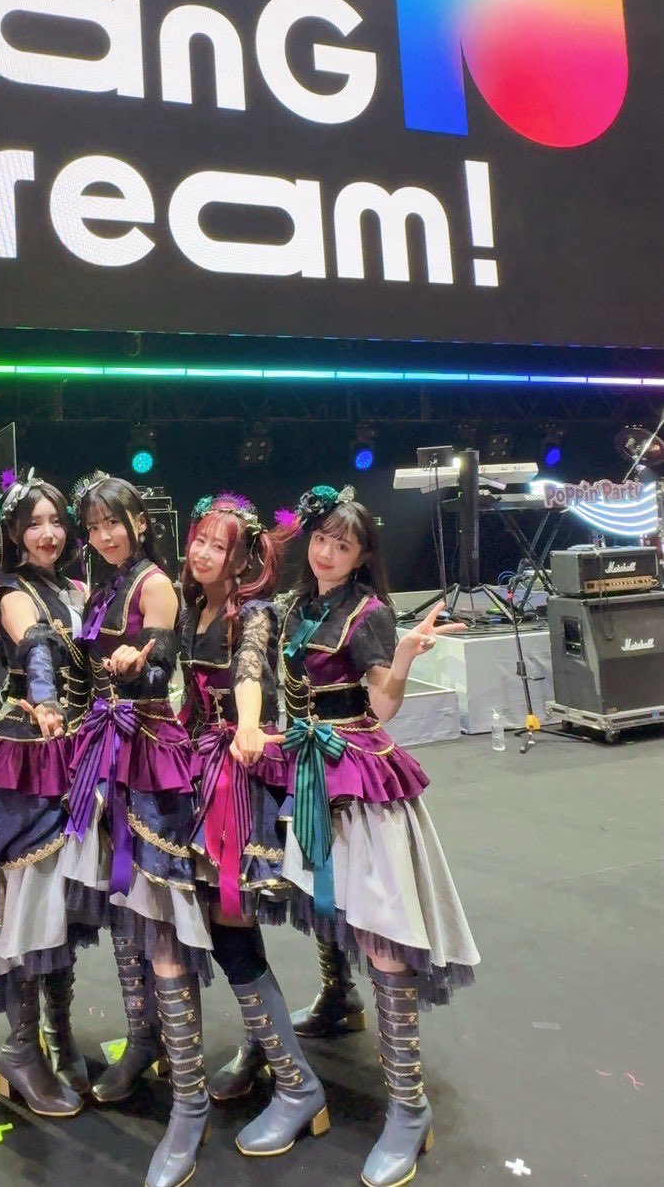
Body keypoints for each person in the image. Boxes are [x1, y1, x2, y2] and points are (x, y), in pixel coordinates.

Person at [275, 484, 479, 1187]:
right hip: (304, 765)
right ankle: (339, 998)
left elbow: (382, 706)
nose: (327, 552)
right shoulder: (296, 606)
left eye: (344, 544)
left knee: (384, 928)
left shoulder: (368, 613)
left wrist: (407, 655)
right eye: (321, 538)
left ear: (363, 556)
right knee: (326, 900)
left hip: (356, 772)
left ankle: (409, 1104)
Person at [61, 473, 207, 1187]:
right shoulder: (105, 584)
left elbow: (163, 662)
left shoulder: (153, 583)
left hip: (149, 752)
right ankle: (143, 1038)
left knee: (161, 913)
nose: (104, 535)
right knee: (123, 912)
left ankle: (189, 1092)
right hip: (103, 751)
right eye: (93, 527)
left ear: (140, 523)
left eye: (113, 522)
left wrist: (137, 661)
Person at [178, 494, 330, 1160]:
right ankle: (264, 1049)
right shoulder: (193, 608)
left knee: (230, 922)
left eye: (220, 545)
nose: (204, 552)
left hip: (235, 778)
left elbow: (248, 670)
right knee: (224, 924)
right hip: (195, 773)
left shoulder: (255, 612)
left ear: (242, 559)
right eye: (200, 539)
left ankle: (298, 1084)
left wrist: (245, 722)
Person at [0, 469, 92, 1116]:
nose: (48, 533)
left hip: (76, 748)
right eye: (33, 523)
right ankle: (20, 1046)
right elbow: (36, 648)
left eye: (55, 521)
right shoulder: (11, 590)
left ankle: (58, 1030)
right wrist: (44, 701)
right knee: (28, 896)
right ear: (14, 534)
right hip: (28, 750)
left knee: (60, 901)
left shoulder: (73, 587)